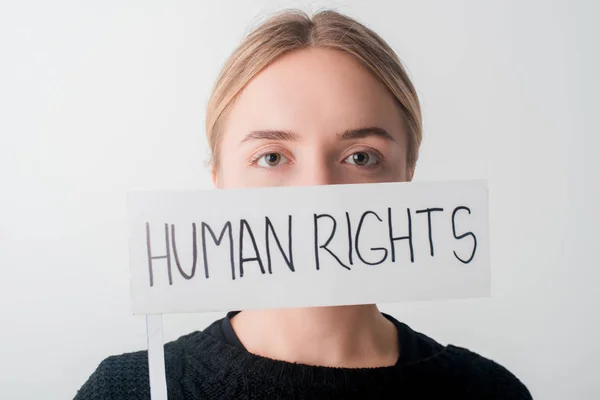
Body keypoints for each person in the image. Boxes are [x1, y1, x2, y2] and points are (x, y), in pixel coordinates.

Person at [75, 9, 532, 399]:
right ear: (218, 178)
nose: (318, 193)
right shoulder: (128, 390)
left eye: (361, 157)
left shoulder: (489, 392)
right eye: (271, 157)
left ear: (407, 173)